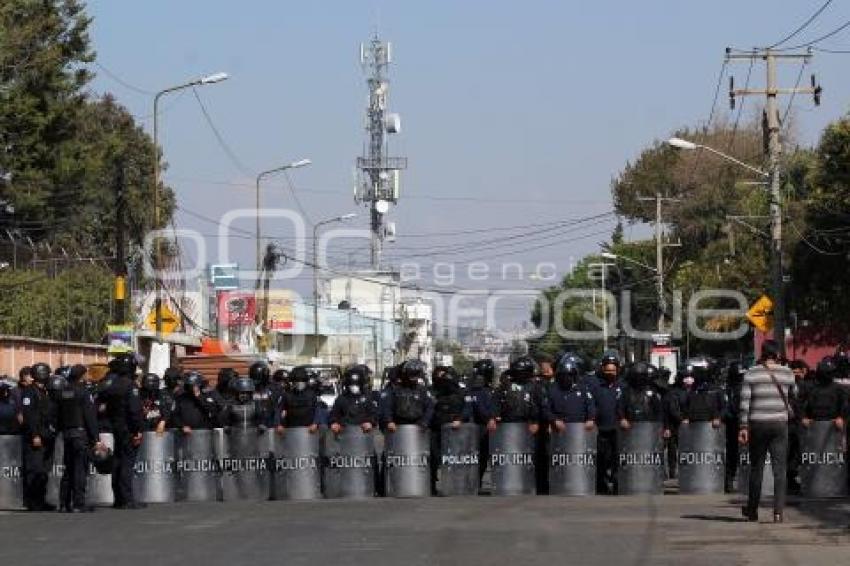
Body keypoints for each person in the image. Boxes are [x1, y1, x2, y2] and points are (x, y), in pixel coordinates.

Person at [739, 339, 795, 523]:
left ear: (762, 354)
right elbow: (794, 395)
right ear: (777, 354)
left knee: (757, 468)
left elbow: (745, 402)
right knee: (780, 470)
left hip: (757, 424)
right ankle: (778, 512)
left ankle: (752, 510)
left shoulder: (751, 374)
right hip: (780, 424)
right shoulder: (787, 373)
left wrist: (743, 427)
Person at [57, 365, 101, 513]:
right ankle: (78, 503)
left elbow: (58, 415)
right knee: (80, 470)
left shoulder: (62, 392)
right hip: (80, 435)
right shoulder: (83, 392)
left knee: (68, 469)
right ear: (82, 376)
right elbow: (90, 417)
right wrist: (96, 438)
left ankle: (63, 503)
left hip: (67, 434)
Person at [104, 355, 145, 509]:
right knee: (127, 463)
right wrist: (137, 430)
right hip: (128, 428)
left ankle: (119, 498)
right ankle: (127, 499)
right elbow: (134, 410)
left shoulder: (113, 385)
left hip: (117, 427)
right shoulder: (131, 386)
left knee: (117, 462)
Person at [429, 365, 471, 495]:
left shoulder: (463, 391)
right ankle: (432, 485)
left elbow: (468, 408)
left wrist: (460, 419)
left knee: (457, 458)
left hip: (456, 430)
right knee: (434, 458)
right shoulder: (434, 392)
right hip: (437, 429)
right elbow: (429, 409)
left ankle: (458, 485)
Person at [586, 350, 623, 494]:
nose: (610, 373)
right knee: (601, 459)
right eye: (607, 370)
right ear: (602, 368)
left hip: (617, 429)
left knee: (617, 459)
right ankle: (601, 486)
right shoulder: (594, 384)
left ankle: (617, 485)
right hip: (600, 429)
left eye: (613, 370)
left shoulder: (622, 384)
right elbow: (590, 405)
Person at [18, 362, 54, 511]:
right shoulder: (29, 392)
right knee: (34, 469)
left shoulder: (46, 391)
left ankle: (41, 499)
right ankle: (32, 501)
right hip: (35, 437)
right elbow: (29, 415)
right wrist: (35, 435)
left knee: (44, 470)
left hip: (46, 435)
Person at [544, 356, 596, 431]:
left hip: (580, 431)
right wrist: (554, 419)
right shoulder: (553, 390)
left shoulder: (583, 389)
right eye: (563, 375)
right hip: (559, 431)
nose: (566, 377)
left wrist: (591, 418)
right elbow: (546, 408)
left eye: (570, 374)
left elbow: (591, 405)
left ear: (574, 375)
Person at [380, 360, 434, 431]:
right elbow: (386, 406)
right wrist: (389, 421)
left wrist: (425, 421)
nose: (414, 379)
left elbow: (429, 407)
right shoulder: (394, 388)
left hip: (418, 427)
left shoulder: (421, 389)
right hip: (397, 427)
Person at [468, 359, 497, 489]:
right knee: (479, 456)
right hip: (479, 427)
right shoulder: (480, 390)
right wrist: (491, 417)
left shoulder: (483, 389)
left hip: (481, 427)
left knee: (481, 457)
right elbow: (481, 408)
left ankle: (476, 482)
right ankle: (474, 482)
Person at [801, 357, 846, 430]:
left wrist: (841, 417)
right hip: (813, 424)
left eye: (832, 372)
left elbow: (844, 404)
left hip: (833, 425)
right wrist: (803, 417)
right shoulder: (810, 387)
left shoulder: (838, 388)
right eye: (828, 372)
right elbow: (801, 404)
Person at [617, 361, 664, 428]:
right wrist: (622, 418)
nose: (639, 379)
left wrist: (659, 425)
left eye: (641, 376)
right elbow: (620, 407)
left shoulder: (651, 392)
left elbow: (659, 411)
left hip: (648, 428)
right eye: (637, 376)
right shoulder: (626, 392)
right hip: (630, 429)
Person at [680, 357, 724, 427]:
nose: (699, 375)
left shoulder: (716, 390)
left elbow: (723, 407)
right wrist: (685, 418)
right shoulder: (691, 390)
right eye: (698, 373)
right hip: (693, 428)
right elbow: (685, 407)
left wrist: (718, 418)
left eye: (702, 373)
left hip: (711, 427)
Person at [723, 362, 745, 492]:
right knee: (733, 453)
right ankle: (729, 480)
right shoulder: (729, 389)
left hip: (739, 422)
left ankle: (732, 479)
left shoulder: (735, 388)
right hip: (734, 423)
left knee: (738, 453)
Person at [280, 366, 320, 432]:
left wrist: (315, 423)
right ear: (293, 381)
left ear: (305, 381)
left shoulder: (312, 395)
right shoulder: (287, 395)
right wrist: (279, 424)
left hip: (309, 430)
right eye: (297, 380)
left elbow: (317, 410)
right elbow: (279, 410)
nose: (299, 383)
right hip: (291, 430)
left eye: (302, 380)